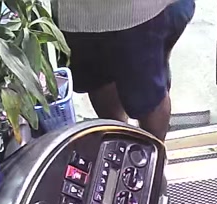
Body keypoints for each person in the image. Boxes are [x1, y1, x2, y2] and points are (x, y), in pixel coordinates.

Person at [54, 0, 196, 140]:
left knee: (148, 98)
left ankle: (153, 150)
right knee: (99, 80)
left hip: (137, 13)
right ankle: (121, 142)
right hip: (78, 14)